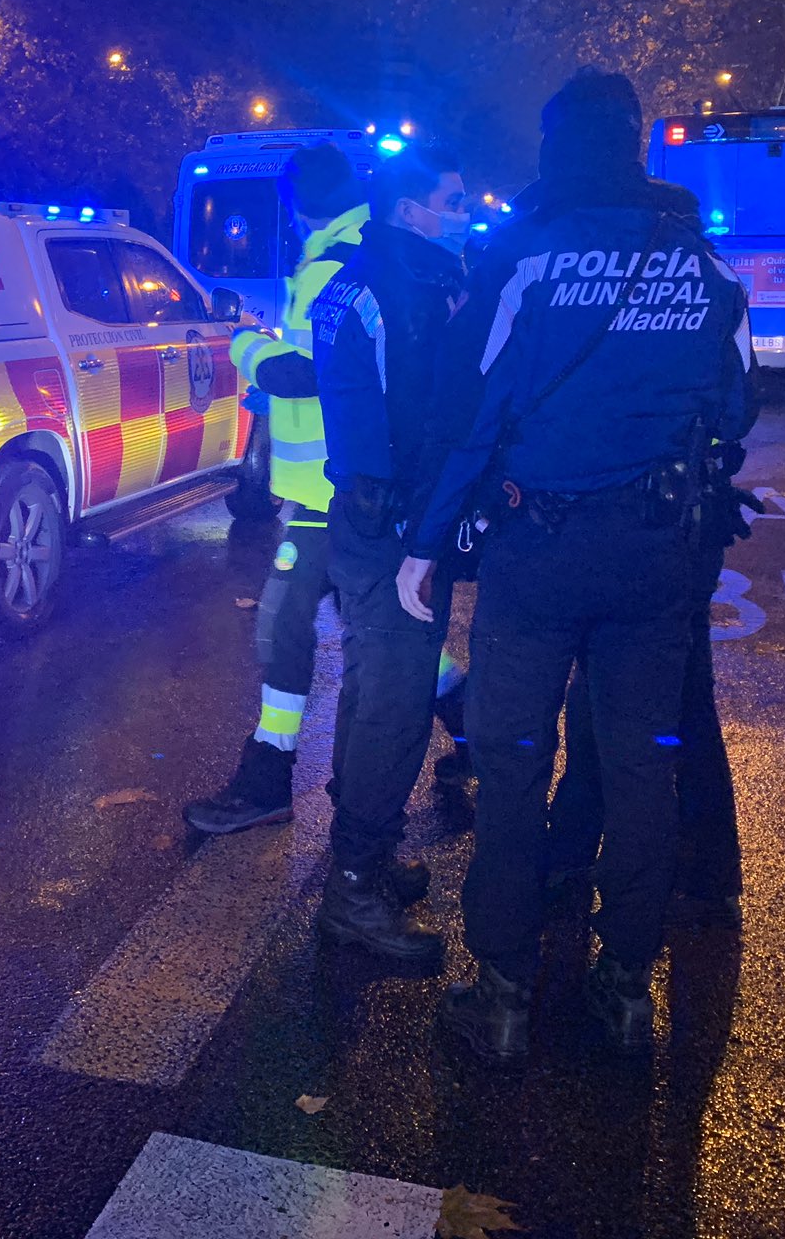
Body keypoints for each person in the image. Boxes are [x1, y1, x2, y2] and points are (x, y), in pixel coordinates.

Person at [398, 69, 753, 1063]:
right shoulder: (703, 265)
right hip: (653, 558)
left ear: (555, 148)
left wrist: (425, 543)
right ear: (633, 143)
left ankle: (503, 993)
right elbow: (735, 412)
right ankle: (622, 989)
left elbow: (467, 415)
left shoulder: (521, 257)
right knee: (641, 771)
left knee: (510, 763)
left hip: (535, 553)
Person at [183, 143, 464, 845]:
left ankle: (270, 780)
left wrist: (244, 345)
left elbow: (310, 371)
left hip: (335, 497)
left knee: (288, 629)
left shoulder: (339, 260)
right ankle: (476, 728)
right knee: (393, 643)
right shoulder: (343, 250)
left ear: (293, 202)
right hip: (338, 496)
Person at [309, 142, 470, 966]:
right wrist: (434, 537)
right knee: (397, 707)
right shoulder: (407, 294)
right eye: (452, 200)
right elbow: (426, 428)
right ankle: (355, 888)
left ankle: (360, 851)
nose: (463, 213)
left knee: (371, 687)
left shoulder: (353, 280)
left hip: (360, 520)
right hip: (399, 527)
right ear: (412, 212)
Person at [543, 438, 757, 924]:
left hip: (652, 519)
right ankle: (699, 868)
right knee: (666, 699)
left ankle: (590, 863)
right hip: (680, 514)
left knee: (638, 701)